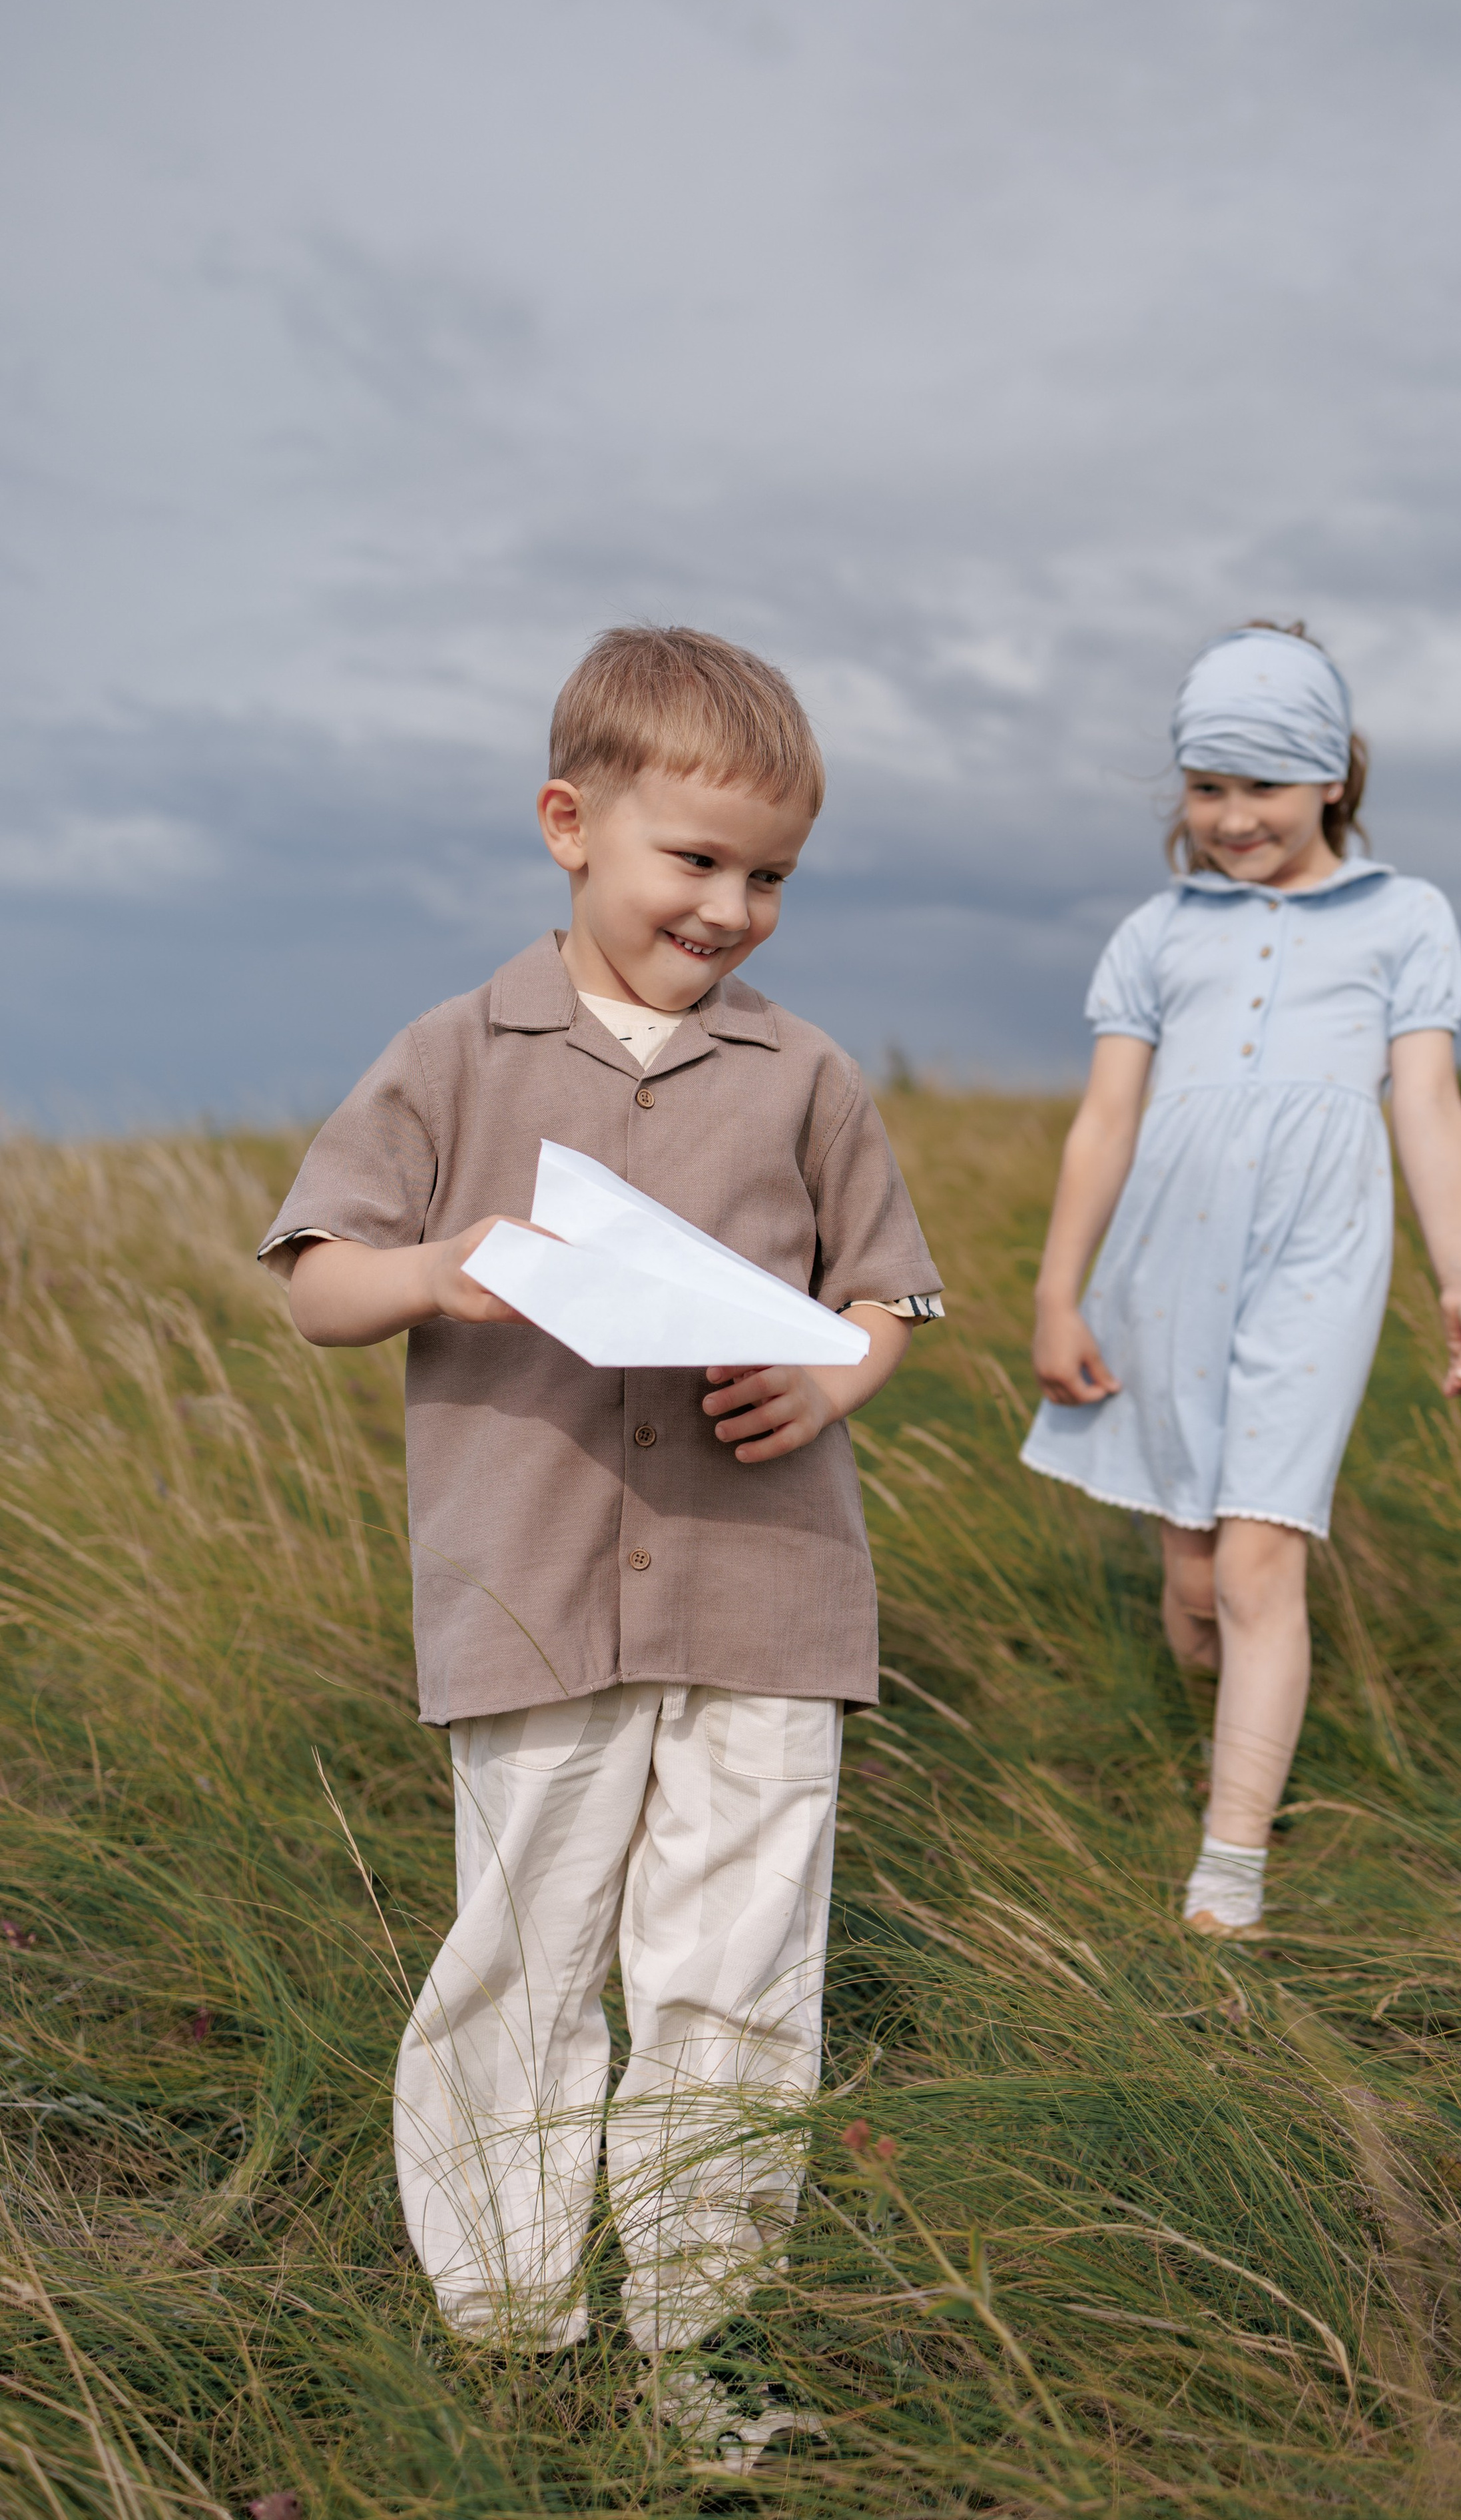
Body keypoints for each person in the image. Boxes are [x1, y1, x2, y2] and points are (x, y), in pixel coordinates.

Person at [258, 625, 942, 2466]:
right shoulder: (453, 1053)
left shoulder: (804, 1077)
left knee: (733, 1967)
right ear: (571, 823)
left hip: (766, 1598)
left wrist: (835, 1388)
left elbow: (885, 1299)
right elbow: (319, 1283)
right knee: (528, 1955)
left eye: (772, 877)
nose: (732, 909)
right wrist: (437, 1268)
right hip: (534, 1598)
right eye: (696, 861)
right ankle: (508, 2324)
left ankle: (695, 2329)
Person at [1022, 623, 1461, 1939]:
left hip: (1317, 1254)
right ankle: (1213, 1727)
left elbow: (1425, 1106)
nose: (1233, 819)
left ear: (1332, 780)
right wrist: (1054, 1291)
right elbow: (1103, 1125)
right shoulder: (1154, 933)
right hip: (1160, 1266)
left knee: (1254, 1568)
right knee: (1190, 1585)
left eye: (1264, 787)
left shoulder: (1404, 918)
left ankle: (1226, 1868)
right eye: (1207, 788)